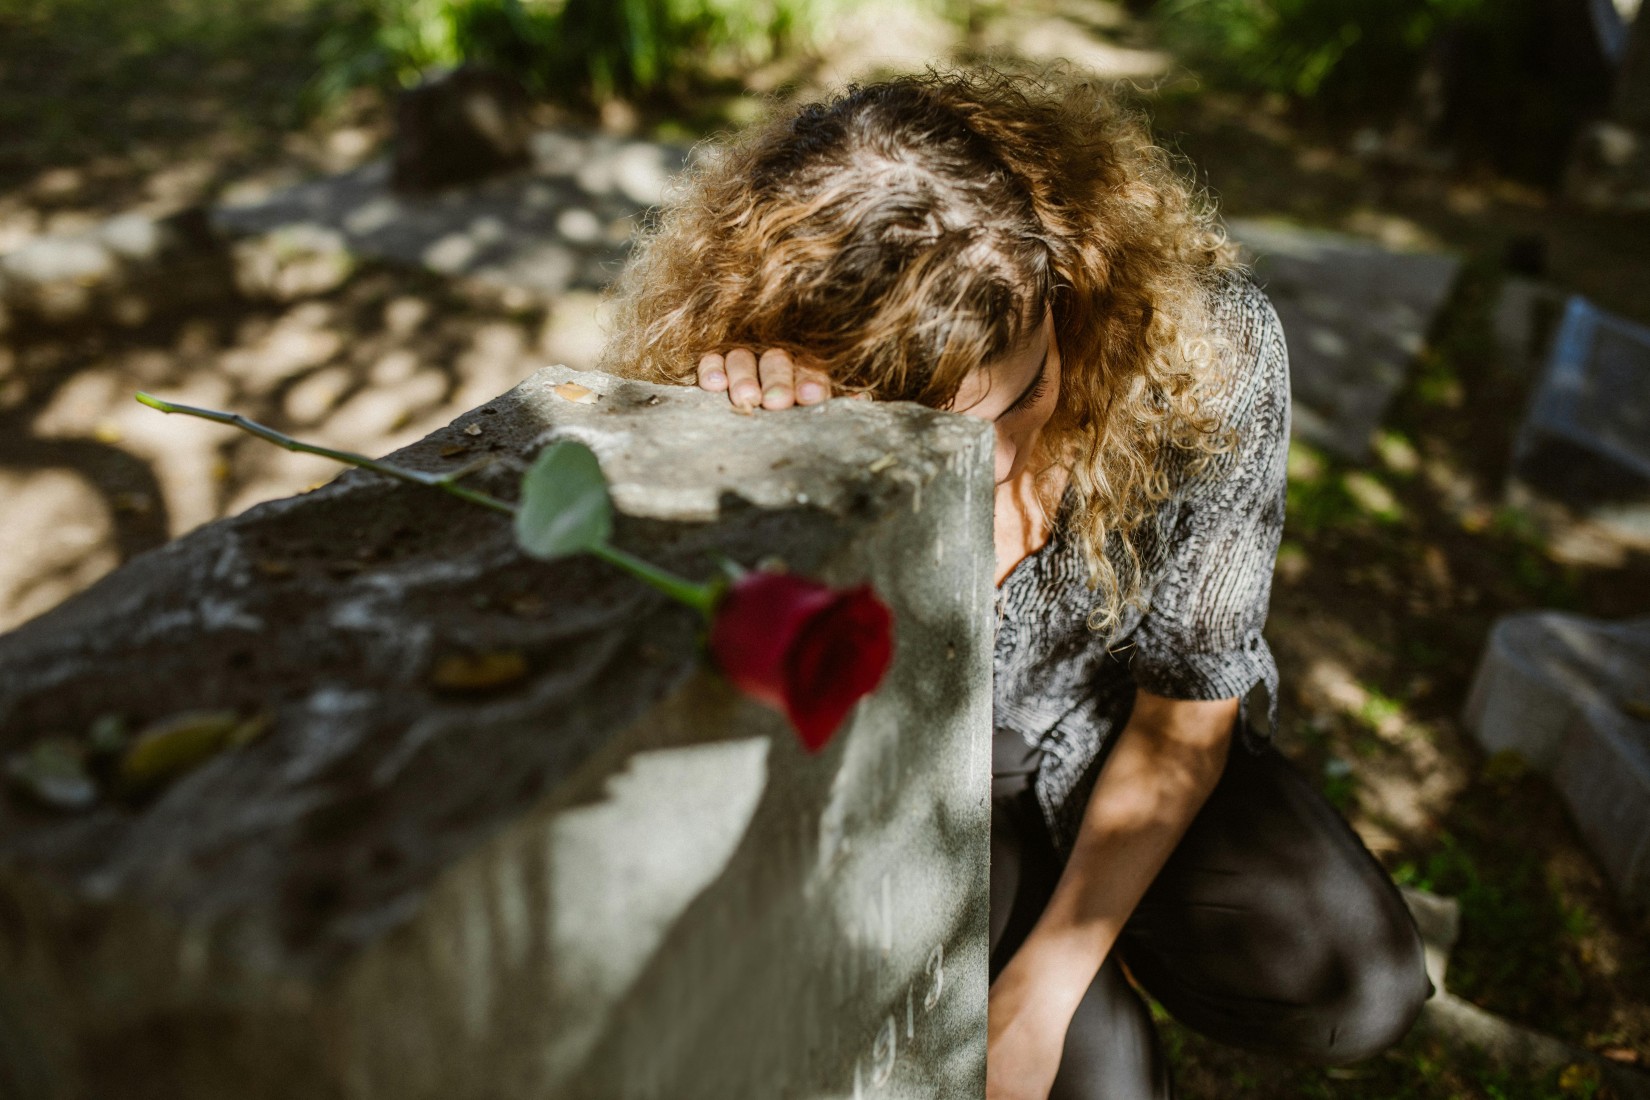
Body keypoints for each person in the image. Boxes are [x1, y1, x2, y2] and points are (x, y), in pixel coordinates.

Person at [599, 66, 1432, 1100]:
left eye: (1027, 388)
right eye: (936, 437)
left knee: (1359, 988)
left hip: (1117, 722)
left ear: (1069, 279)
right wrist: (762, 458)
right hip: (936, 763)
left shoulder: (1212, 355)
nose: (994, 465)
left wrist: (1046, 982)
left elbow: (1186, 711)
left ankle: (1105, 947)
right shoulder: (775, 387)